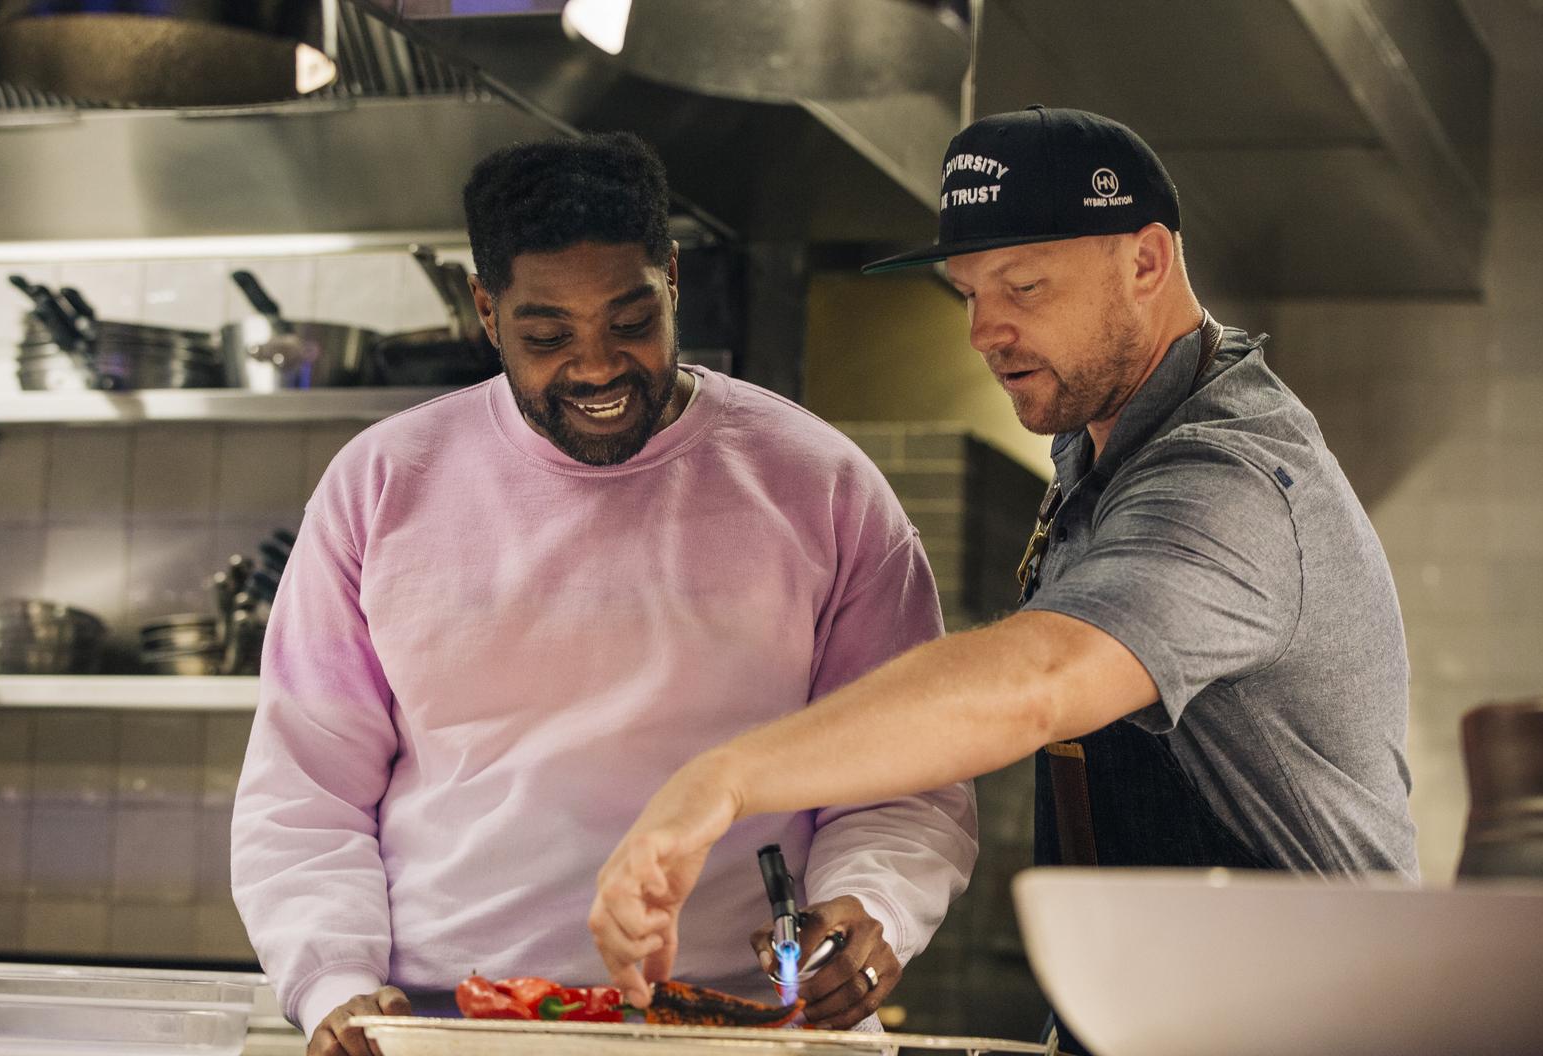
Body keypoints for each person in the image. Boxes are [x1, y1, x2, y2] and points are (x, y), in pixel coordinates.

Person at [588, 107, 1419, 1054]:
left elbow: (1038, 683)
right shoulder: (1098, 452)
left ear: (1146, 261)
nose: (985, 331)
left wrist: (724, 779)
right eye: (967, 290)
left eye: (1023, 285)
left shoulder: (1227, 481)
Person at [231, 132, 977, 1056]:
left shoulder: (820, 482)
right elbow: (305, 788)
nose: (595, 368)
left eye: (632, 322)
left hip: (748, 1028)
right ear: (488, 312)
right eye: (549, 336)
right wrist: (333, 982)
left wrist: (871, 906)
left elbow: (904, 769)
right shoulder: (381, 485)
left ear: (671, 278)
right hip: (451, 1028)